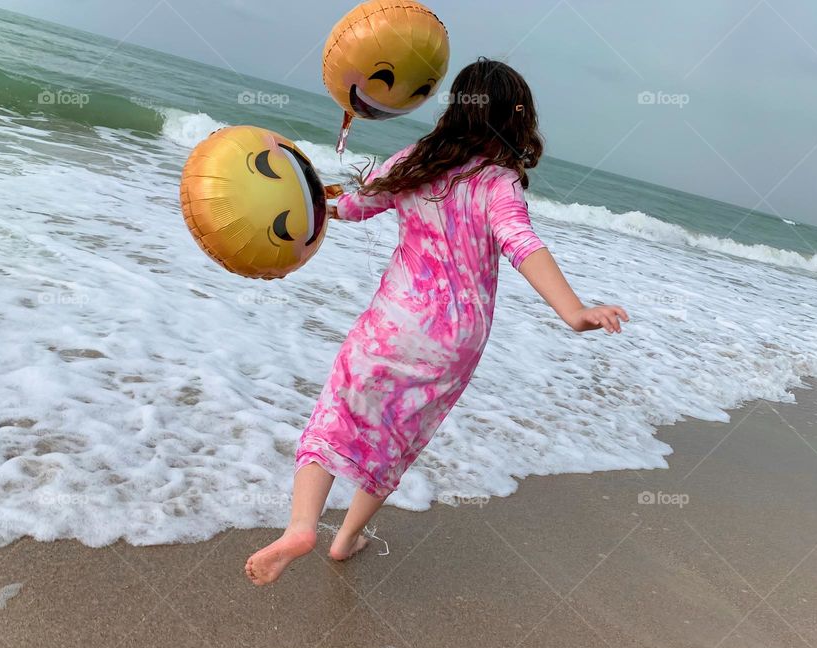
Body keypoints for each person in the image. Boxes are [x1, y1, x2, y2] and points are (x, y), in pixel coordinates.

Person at [246, 58, 628, 586]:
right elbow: (521, 242)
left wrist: (284, 198)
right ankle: (345, 539)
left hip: (391, 324)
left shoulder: (415, 162)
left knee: (335, 417)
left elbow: (351, 208)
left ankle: (301, 526)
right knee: (398, 438)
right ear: (517, 118)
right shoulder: (498, 183)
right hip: (452, 343)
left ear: (455, 109)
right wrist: (574, 310)